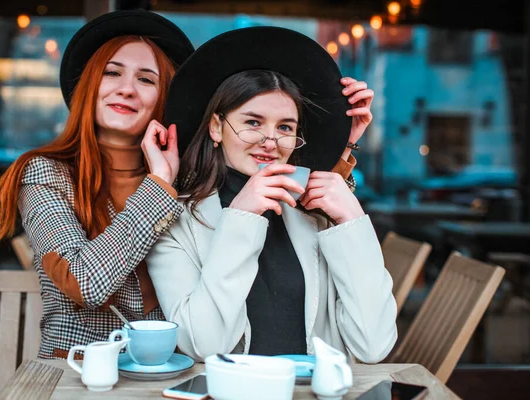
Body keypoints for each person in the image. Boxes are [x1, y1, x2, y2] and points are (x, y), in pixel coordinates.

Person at [146, 26, 397, 364]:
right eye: (252, 122)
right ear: (216, 127)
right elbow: (203, 345)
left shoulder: (316, 215)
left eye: (285, 127)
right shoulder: (175, 222)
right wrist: (242, 218)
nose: (270, 140)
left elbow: (374, 346)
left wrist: (353, 219)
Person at [0, 10, 194, 359]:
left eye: (146, 79)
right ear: (89, 85)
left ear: (164, 99)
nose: (126, 89)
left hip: (170, 371)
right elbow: (85, 283)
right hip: (78, 373)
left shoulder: (188, 182)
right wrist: (158, 185)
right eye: (111, 73)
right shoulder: (45, 173)